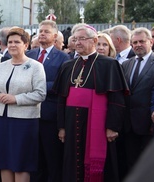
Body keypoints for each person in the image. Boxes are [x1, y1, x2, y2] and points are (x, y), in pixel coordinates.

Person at [53, 23, 129, 182]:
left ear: (94, 40)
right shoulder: (68, 65)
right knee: (72, 163)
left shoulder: (109, 64)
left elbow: (117, 100)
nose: (77, 42)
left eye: (82, 39)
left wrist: (112, 127)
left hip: (98, 125)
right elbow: (61, 99)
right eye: (75, 39)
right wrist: (61, 126)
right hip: (71, 122)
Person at [0, 27, 46, 182]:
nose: (12, 45)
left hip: (24, 121)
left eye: (17, 42)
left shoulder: (35, 66)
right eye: (10, 42)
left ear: (25, 45)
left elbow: (41, 93)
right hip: (2, 119)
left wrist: (16, 99)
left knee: (21, 162)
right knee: (4, 161)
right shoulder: (2, 65)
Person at [27, 20, 70, 182]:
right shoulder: (29, 55)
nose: (42, 34)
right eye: (40, 31)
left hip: (49, 114)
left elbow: (62, 84)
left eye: (46, 31)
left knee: (51, 157)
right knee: (33, 156)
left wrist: (36, 87)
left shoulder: (63, 58)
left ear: (55, 35)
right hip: (29, 113)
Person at [122, 27, 154, 175]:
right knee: (130, 164)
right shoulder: (126, 64)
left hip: (150, 125)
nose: (138, 45)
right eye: (134, 42)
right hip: (128, 125)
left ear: (151, 42)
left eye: (142, 41)